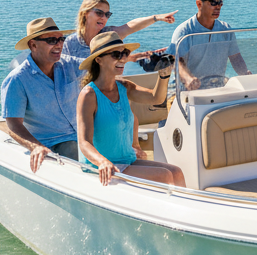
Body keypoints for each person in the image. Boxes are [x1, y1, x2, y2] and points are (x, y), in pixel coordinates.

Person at [76, 32, 186, 187]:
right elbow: (84, 142)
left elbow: (156, 98)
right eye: (116, 54)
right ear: (98, 59)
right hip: (101, 166)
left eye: (124, 53)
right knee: (164, 176)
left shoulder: (123, 87)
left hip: (126, 160)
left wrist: (164, 75)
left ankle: (182, 210)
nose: (122, 59)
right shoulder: (89, 95)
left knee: (177, 172)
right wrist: (103, 162)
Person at [1, 17, 87, 172]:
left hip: (83, 137)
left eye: (61, 39)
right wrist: (36, 147)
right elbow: (13, 125)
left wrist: (124, 57)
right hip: (52, 144)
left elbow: (98, 67)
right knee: (79, 157)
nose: (59, 44)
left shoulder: (70, 64)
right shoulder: (17, 80)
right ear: (33, 45)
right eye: (51, 40)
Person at [168, 0, 251, 90]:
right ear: (199, 4)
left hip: (218, 89)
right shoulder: (185, 31)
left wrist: (246, 75)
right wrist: (188, 78)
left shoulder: (226, 29)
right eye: (213, 2)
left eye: (220, 2)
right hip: (187, 92)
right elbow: (174, 61)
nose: (218, 6)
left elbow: (236, 58)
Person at [62, 0, 178, 60]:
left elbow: (131, 26)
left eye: (107, 14)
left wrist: (156, 17)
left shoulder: (109, 35)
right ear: (85, 13)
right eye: (99, 13)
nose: (104, 18)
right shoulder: (70, 43)